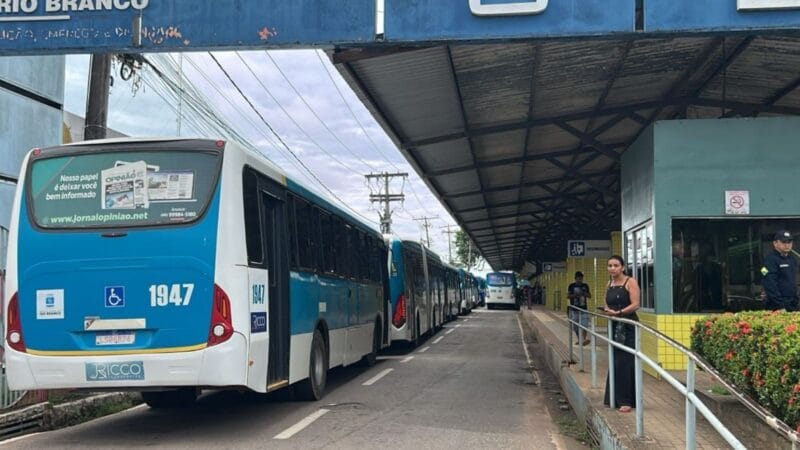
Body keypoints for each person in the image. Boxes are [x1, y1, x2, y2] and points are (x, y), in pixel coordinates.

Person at [601, 255, 640, 413]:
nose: (612, 268)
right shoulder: (609, 283)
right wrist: (607, 312)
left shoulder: (630, 282)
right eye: (610, 265)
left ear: (623, 267)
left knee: (626, 361)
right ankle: (613, 397)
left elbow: (636, 304)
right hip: (615, 325)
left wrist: (620, 312)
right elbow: (605, 301)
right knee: (614, 360)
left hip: (628, 326)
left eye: (616, 265)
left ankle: (627, 400)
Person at [761, 230, 798, 311]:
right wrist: (780, 306)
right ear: (775, 243)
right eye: (783, 242)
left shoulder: (792, 259)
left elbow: (792, 282)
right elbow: (770, 284)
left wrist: (796, 300)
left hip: (792, 304)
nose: (787, 245)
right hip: (777, 306)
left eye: (789, 242)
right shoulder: (770, 260)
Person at [567, 271, 592, 345]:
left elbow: (590, 296)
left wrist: (584, 293)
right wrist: (575, 295)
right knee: (575, 327)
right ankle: (580, 339)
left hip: (583, 308)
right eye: (578, 279)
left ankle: (583, 339)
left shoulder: (585, 286)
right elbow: (568, 296)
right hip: (574, 309)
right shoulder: (571, 286)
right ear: (575, 279)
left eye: (581, 279)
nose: (580, 281)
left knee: (584, 325)